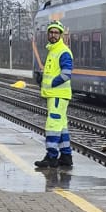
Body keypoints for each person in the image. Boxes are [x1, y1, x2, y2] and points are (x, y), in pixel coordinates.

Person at [36, 18, 74, 171]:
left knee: (52, 126)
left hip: (58, 95)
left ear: (61, 35)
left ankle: (51, 157)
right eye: (51, 32)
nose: (53, 35)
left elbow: (66, 74)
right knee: (62, 127)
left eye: (56, 33)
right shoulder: (52, 50)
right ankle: (66, 156)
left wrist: (51, 83)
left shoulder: (63, 51)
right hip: (55, 95)